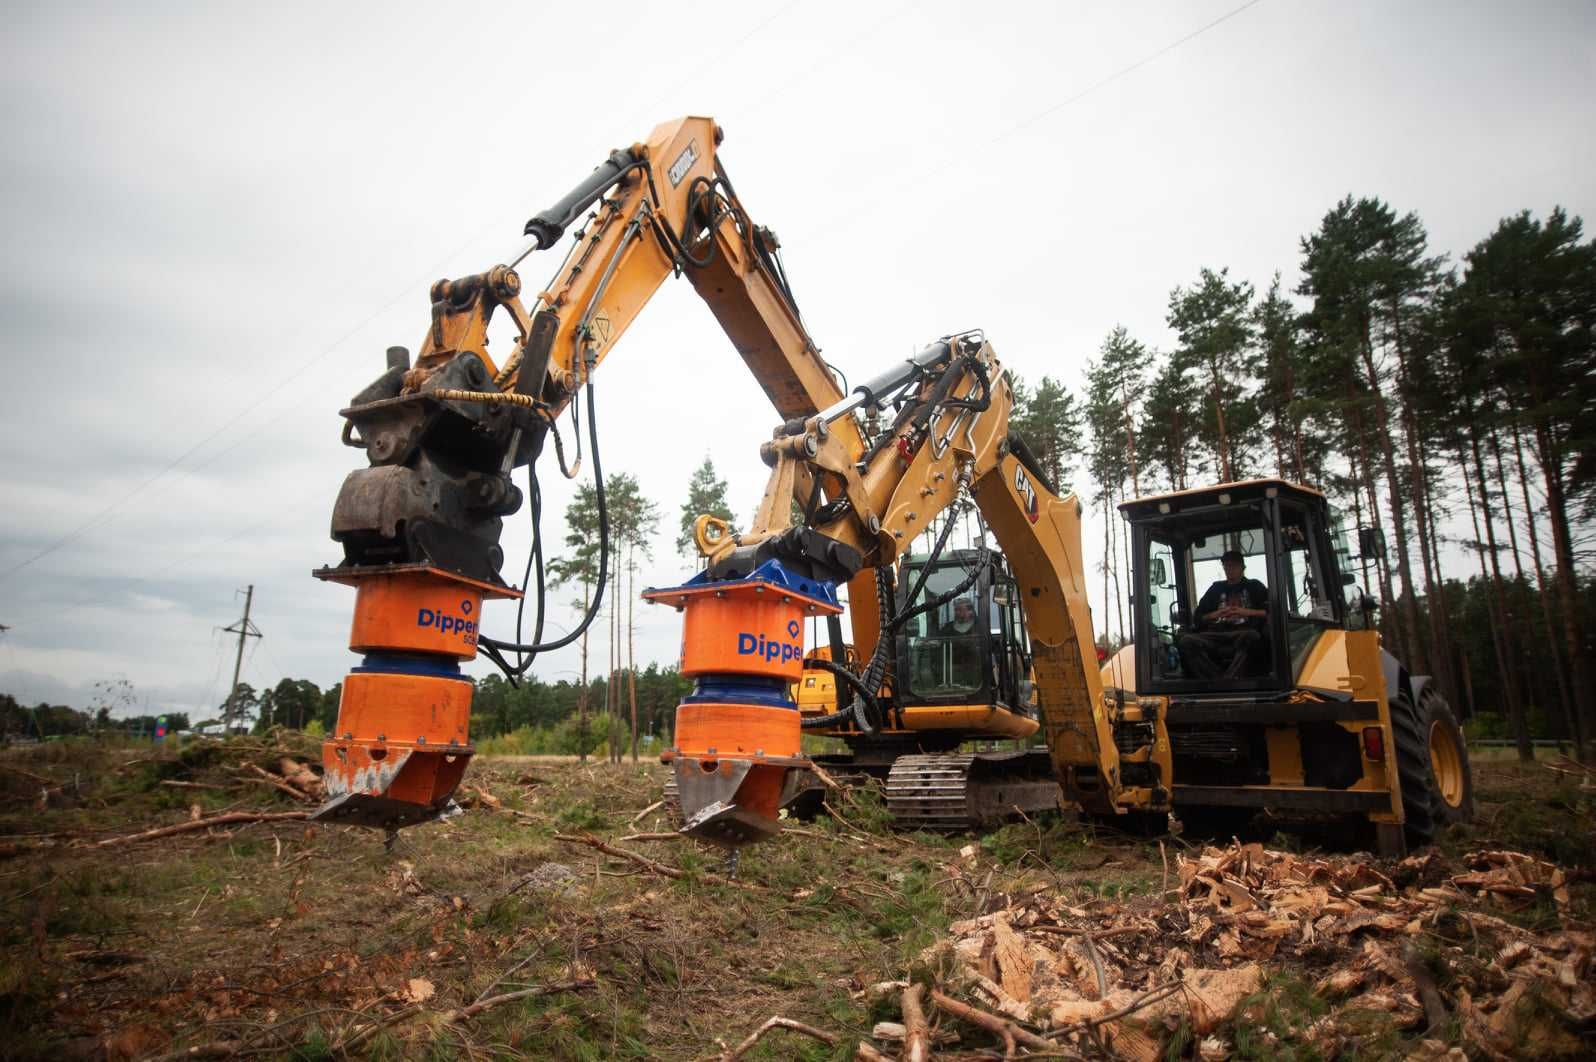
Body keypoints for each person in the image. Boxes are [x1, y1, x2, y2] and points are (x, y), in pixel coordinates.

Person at [1177, 550, 1269, 679]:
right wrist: (1215, 614)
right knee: (1186, 641)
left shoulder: (1255, 586)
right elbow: (1198, 617)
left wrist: (1244, 612)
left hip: (1243, 632)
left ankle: (1229, 680)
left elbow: (1269, 612)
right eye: (1226, 566)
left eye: (1233, 565)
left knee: (1253, 637)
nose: (1229, 569)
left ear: (1243, 567)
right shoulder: (1216, 588)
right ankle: (1216, 680)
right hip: (1215, 634)